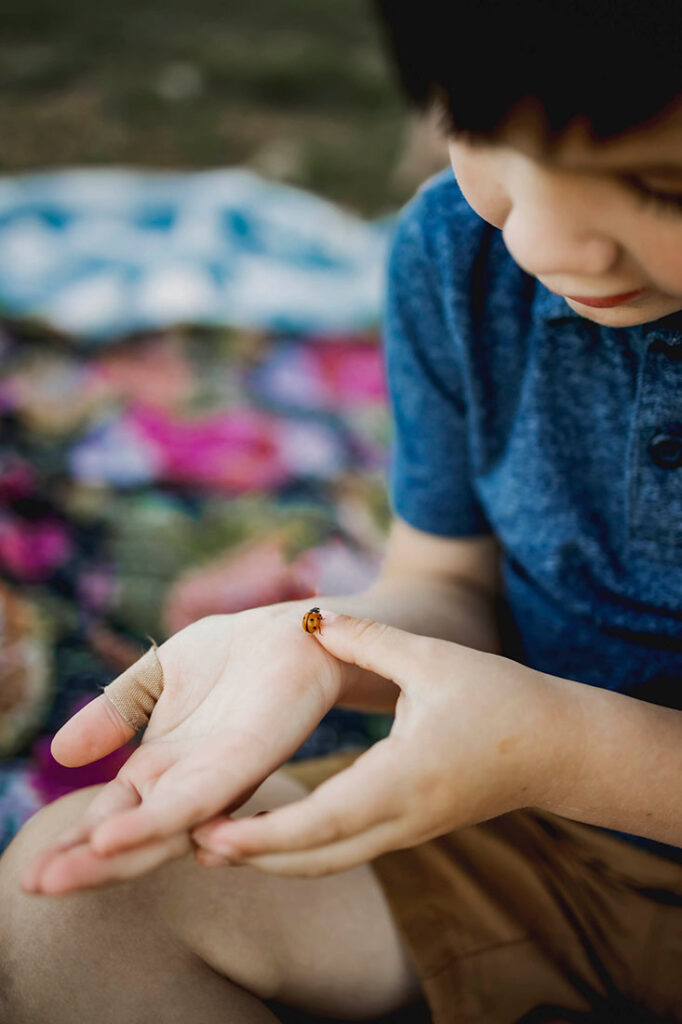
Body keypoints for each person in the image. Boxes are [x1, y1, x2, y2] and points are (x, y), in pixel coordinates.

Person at [2, 2, 682, 1021]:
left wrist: (563, 742)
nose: (545, 240)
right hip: (555, 840)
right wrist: (326, 646)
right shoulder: (459, 257)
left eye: (654, 184)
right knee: (73, 900)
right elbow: (450, 579)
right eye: (484, 133)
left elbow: (552, 738)